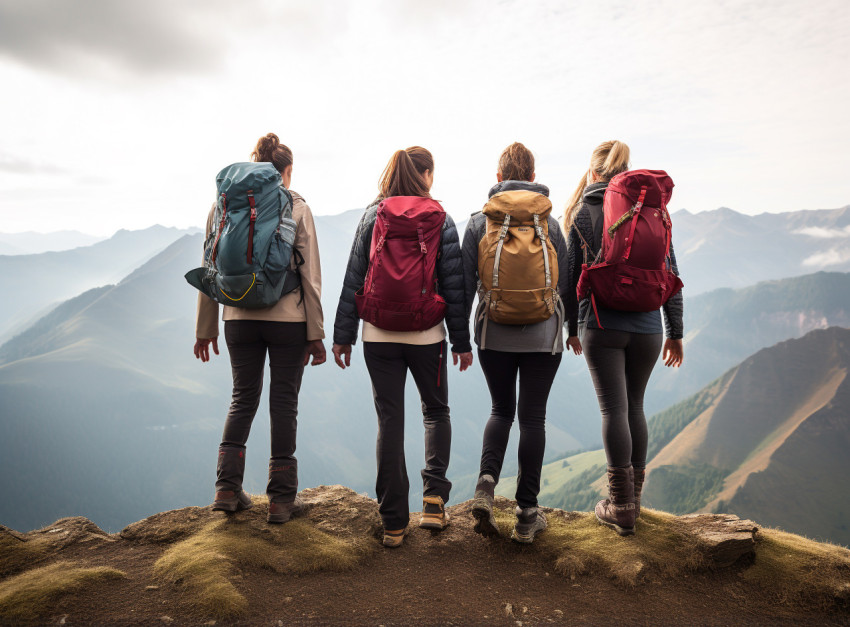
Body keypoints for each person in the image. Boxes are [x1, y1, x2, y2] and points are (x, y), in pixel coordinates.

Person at [332, 146, 472, 548]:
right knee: (436, 411)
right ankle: (432, 503)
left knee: (390, 421)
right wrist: (461, 342)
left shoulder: (372, 215)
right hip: (428, 334)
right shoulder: (440, 218)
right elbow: (455, 287)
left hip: (377, 334)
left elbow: (353, 276)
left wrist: (343, 335)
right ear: (425, 175)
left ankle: (393, 522)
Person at [194, 133, 326, 524]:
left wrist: (206, 328)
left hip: (237, 318)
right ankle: (282, 500)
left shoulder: (224, 205)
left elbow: (209, 266)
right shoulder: (296, 205)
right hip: (288, 319)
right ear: (287, 171)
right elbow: (310, 274)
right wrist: (316, 333)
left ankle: (226, 490)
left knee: (242, 397)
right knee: (283, 402)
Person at [563, 140, 684, 536]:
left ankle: (621, 507)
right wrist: (675, 332)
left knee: (613, 409)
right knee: (635, 406)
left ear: (593, 174)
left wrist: (570, 328)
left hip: (601, 325)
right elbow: (671, 275)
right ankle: (634, 502)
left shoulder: (584, 213)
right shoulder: (654, 211)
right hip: (649, 327)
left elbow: (569, 280)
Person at [462, 142, 569, 544]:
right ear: (533, 173)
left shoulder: (480, 221)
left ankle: (486, 488)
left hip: (494, 332)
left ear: (498, 176)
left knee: (501, 409)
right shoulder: (550, 223)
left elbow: (462, 283)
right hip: (543, 335)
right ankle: (526, 514)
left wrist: (461, 338)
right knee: (533, 418)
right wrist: (570, 328)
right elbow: (565, 279)